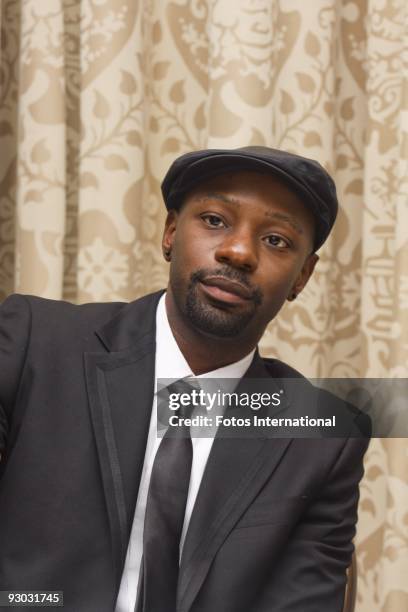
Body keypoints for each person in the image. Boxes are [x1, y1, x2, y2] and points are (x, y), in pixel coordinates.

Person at [0, 147, 370, 612]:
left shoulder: (321, 437)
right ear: (171, 232)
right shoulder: (34, 343)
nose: (238, 251)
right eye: (215, 220)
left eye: (276, 240)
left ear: (303, 277)